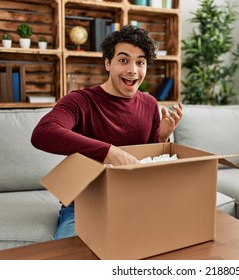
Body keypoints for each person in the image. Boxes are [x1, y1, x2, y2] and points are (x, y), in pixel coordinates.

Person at [31, 25, 183, 239]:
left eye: (140, 62)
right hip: (85, 205)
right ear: (107, 63)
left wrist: (161, 138)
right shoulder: (79, 101)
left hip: (137, 200)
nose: (132, 70)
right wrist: (109, 152)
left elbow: (143, 164)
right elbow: (43, 133)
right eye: (123, 60)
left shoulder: (149, 103)